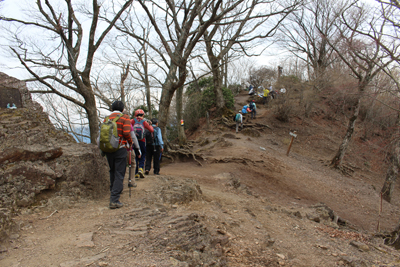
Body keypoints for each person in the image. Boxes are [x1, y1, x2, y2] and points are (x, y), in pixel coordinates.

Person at [103, 100, 134, 209]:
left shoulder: (107, 118)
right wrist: (130, 142)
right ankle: (114, 199)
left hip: (108, 148)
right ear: (122, 109)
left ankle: (113, 193)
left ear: (112, 109)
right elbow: (126, 132)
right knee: (119, 173)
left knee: (112, 170)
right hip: (120, 148)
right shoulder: (125, 117)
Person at [131, 109, 153, 179]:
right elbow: (151, 130)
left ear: (135, 115)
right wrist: (150, 125)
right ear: (143, 115)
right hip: (142, 141)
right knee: (143, 154)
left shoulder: (132, 121)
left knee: (135, 155)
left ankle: (136, 173)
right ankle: (141, 168)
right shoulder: (144, 122)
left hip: (134, 141)